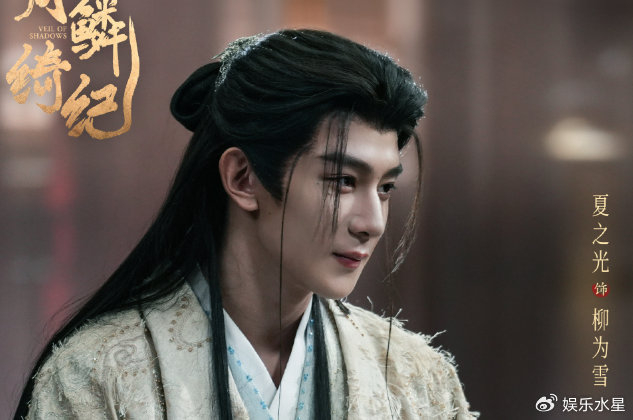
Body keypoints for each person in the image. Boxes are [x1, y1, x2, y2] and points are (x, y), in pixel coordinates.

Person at [15, 29, 478, 419]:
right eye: (342, 181)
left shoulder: (418, 382)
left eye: (385, 187)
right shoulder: (98, 377)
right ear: (243, 178)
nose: (372, 223)